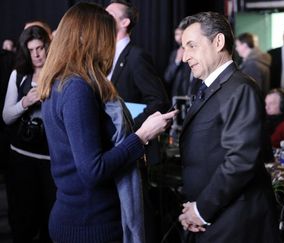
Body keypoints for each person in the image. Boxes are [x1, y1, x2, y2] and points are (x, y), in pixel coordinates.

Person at [37, 3, 176, 242]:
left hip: (79, 217)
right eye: (106, 36)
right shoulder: (77, 88)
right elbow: (93, 171)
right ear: (90, 38)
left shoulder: (61, 81)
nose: (110, 44)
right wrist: (141, 136)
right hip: (90, 224)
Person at [178, 12, 280, 243]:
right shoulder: (212, 87)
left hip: (235, 222)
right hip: (214, 218)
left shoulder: (239, 88)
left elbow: (241, 160)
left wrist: (201, 210)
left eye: (192, 46)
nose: (185, 57)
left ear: (218, 42)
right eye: (184, 48)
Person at [2, 25, 55, 243]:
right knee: (22, 221)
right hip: (21, 158)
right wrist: (26, 102)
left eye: (40, 48)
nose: (36, 54)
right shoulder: (19, 75)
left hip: (51, 160)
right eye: (31, 49)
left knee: (49, 222)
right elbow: (6, 116)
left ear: (47, 47)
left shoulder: (59, 74)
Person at [105, 0, 169, 130]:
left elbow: (159, 101)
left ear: (125, 22)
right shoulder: (102, 54)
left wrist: (131, 127)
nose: (102, 18)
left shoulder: (136, 56)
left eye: (109, 15)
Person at [164, 27, 200, 98]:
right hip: (177, 95)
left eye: (182, 34)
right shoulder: (174, 54)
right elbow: (167, 77)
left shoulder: (195, 52)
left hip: (193, 94)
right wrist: (177, 60)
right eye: (177, 34)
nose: (179, 37)